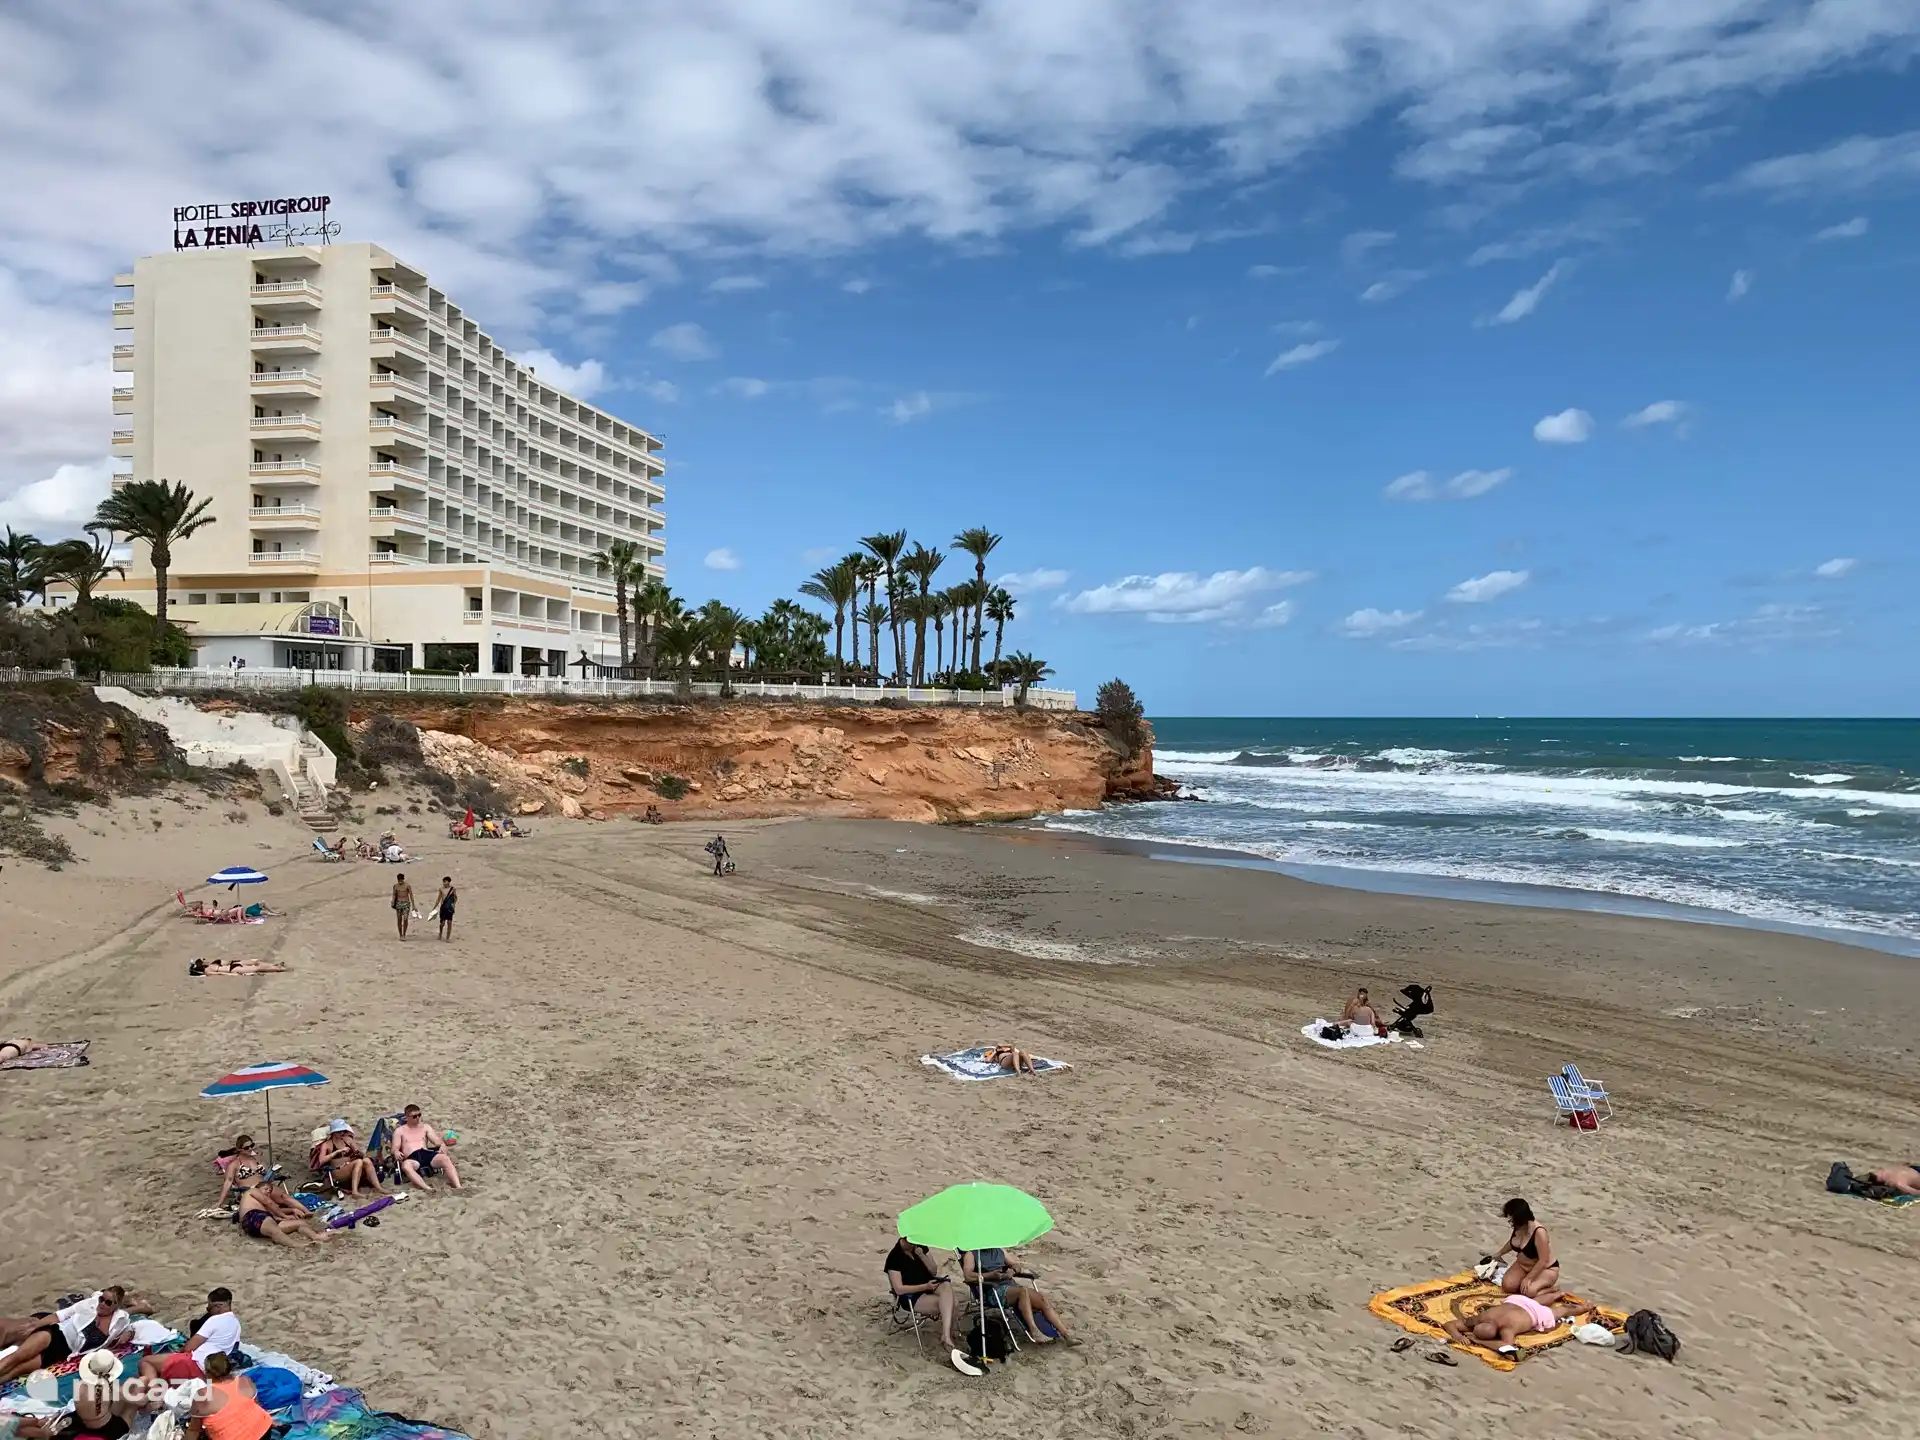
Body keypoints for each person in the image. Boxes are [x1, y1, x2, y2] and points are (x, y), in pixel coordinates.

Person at [0, 1289, 131, 1384]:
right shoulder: (89, 1304)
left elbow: (130, 1328)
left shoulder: (120, 1321)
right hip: (55, 1334)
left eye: (108, 1302)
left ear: (116, 1306)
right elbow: (60, 1315)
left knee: (16, 1370)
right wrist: (37, 1325)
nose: (102, 1304)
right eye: (101, 1299)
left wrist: (128, 1333)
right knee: (16, 1358)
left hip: (61, 1352)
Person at [962, 1247, 1075, 1344]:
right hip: (993, 1291)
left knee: (1042, 1298)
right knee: (1023, 1292)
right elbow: (968, 1276)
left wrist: (1013, 1270)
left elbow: (1016, 1265)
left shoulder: (999, 1250)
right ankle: (1034, 1330)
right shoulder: (971, 1254)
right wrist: (991, 1275)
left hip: (1011, 1287)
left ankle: (1066, 1335)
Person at [140, 1287, 242, 1384]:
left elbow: (189, 1348)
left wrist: (178, 1353)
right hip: (215, 1369)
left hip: (197, 1364)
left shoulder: (215, 1320)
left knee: (146, 1362)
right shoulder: (236, 1324)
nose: (208, 1312)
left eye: (209, 1308)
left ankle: (155, 1393)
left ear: (218, 1307)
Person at [1442, 1294, 1596, 1351]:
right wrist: (1458, 1336)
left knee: (1562, 1310)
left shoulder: (1506, 1328)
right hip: (1518, 1301)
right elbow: (1450, 1325)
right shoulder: (1481, 1317)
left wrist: (1477, 1340)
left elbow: (1506, 1346)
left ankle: (1585, 1307)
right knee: (1534, 1301)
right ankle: (1557, 1293)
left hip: (1534, 1313)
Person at [886, 1237, 959, 1353]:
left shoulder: (920, 1248)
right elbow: (899, 1289)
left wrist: (921, 1255)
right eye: (911, 1243)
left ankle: (946, 1335)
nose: (913, 1245)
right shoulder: (894, 1258)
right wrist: (925, 1287)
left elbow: (933, 1271)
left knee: (946, 1287)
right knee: (952, 1303)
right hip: (912, 1295)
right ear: (903, 1239)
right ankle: (947, 1337)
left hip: (929, 1284)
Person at [184, 1352, 274, 1440]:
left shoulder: (203, 1394)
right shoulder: (244, 1380)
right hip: (265, 1428)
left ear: (207, 1372)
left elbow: (194, 1430)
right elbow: (256, 1405)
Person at [235, 1180, 334, 1248]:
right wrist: (285, 1216)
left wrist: (292, 1210)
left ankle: (315, 1236)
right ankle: (296, 1245)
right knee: (274, 1230)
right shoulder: (253, 1191)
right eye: (266, 1189)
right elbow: (269, 1203)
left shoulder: (261, 1206)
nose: (268, 1193)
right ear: (258, 1187)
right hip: (252, 1217)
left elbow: (274, 1211)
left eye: (269, 1192)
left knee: (299, 1223)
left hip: (262, 1222)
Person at [1494, 1198, 1561, 1300]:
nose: (1509, 1221)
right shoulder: (1519, 1227)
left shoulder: (1539, 1232)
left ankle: (1551, 1290)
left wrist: (1529, 1278)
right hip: (1523, 1265)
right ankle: (1528, 1283)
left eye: (1511, 1218)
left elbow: (1544, 1260)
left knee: (1528, 1292)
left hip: (1545, 1268)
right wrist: (1500, 1253)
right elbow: (1512, 1242)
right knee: (1508, 1285)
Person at [391, 1103, 461, 1191]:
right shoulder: (400, 1131)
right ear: (406, 1117)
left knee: (445, 1159)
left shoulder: (425, 1127)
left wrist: (442, 1145)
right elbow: (394, 1148)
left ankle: (458, 1187)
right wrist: (396, 1152)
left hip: (426, 1153)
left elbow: (436, 1141)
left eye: (419, 1115)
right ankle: (427, 1188)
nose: (417, 1118)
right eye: (414, 1116)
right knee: (406, 1165)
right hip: (412, 1157)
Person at [314, 1119, 387, 1198]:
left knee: (366, 1160)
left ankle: (378, 1187)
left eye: (343, 1131)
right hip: (337, 1171)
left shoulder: (348, 1140)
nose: (342, 1133)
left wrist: (357, 1152)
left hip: (350, 1167)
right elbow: (321, 1161)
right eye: (339, 1132)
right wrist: (337, 1152)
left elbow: (362, 1155)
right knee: (358, 1162)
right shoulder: (327, 1144)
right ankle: (355, 1192)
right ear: (333, 1133)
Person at [70, 1348, 133, 1439]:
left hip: (84, 1425)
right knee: (131, 1404)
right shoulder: (110, 1388)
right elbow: (140, 1401)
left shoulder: (78, 1385)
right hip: (108, 1430)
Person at [214, 1136, 266, 1208]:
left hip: (266, 1189)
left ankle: (284, 1216)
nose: (250, 1149)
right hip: (250, 1193)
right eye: (246, 1148)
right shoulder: (234, 1164)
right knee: (271, 1204)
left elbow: (266, 1174)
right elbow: (228, 1182)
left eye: (252, 1146)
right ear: (239, 1149)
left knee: (284, 1197)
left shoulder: (257, 1158)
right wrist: (220, 1202)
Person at [190, 959, 289, 977]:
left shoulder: (209, 967)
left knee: (256, 967)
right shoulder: (208, 968)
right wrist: (232, 975)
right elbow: (219, 973)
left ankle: (276, 967)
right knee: (256, 968)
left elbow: (220, 972)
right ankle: (278, 968)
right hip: (232, 969)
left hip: (232, 967)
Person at [434, 876, 457, 941]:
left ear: (449, 882)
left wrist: (453, 904)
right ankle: (440, 933)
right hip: (443, 907)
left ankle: (447, 937)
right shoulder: (441, 889)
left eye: (445, 882)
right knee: (442, 923)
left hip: (449, 908)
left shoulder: (453, 889)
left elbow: (455, 897)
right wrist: (435, 907)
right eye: (443, 882)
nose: (444, 883)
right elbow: (439, 899)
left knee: (449, 922)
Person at [392, 872, 414, 940]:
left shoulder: (407, 886)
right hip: (398, 903)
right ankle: (400, 934)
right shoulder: (395, 886)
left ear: (403, 879)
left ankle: (404, 934)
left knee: (405, 919)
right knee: (399, 919)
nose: (400, 881)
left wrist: (413, 905)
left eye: (401, 880)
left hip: (406, 903)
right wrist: (393, 901)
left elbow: (411, 895)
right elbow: (394, 894)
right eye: (399, 880)